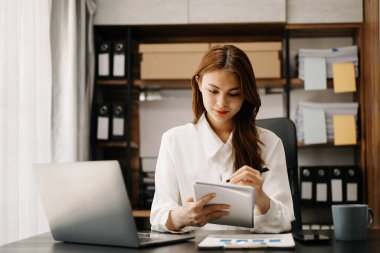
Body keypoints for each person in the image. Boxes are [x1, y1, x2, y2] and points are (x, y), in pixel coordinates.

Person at [150, 44, 295, 233]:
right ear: (199, 84)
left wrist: (261, 198)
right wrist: (180, 217)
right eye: (213, 91)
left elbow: (284, 221)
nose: (222, 103)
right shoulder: (173, 140)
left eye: (234, 94)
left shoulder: (269, 142)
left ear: (246, 95)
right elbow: (159, 216)